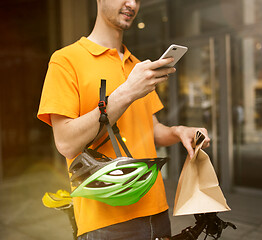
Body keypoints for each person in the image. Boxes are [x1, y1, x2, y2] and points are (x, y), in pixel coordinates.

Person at [37, 0, 210, 239]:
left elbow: (152, 129)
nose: (132, 3)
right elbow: (66, 143)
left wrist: (179, 131)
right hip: (105, 221)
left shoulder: (138, 66)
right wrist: (126, 93)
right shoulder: (66, 60)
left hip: (157, 211)